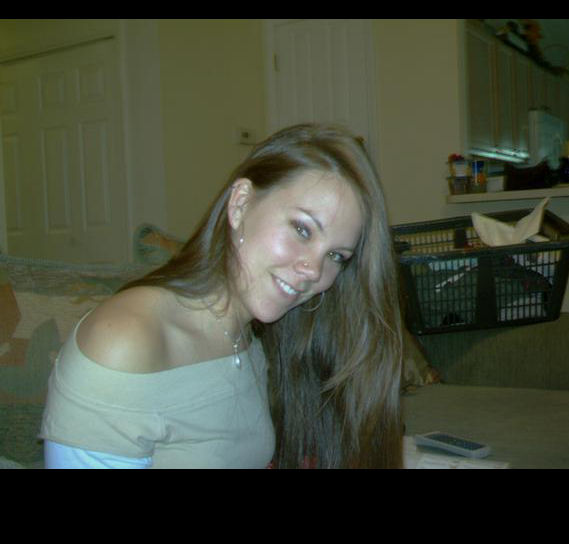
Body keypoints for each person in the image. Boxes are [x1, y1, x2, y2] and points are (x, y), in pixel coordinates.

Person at [40, 123, 405, 469]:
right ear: (241, 203)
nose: (313, 270)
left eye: (336, 256)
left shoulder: (248, 336)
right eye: (302, 229)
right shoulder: (125, 341)